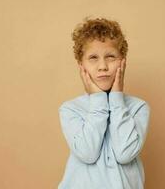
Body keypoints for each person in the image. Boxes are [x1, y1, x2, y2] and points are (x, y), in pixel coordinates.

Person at [58, 17, 151, 189]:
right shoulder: (70, 109)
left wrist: (116, 98)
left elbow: (125, 154)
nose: (103, 66)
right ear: (81, 65)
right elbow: (87, 153)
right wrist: (98, 100)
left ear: (123, 61)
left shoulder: (138, 107)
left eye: (110, 57)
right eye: (93, 57)